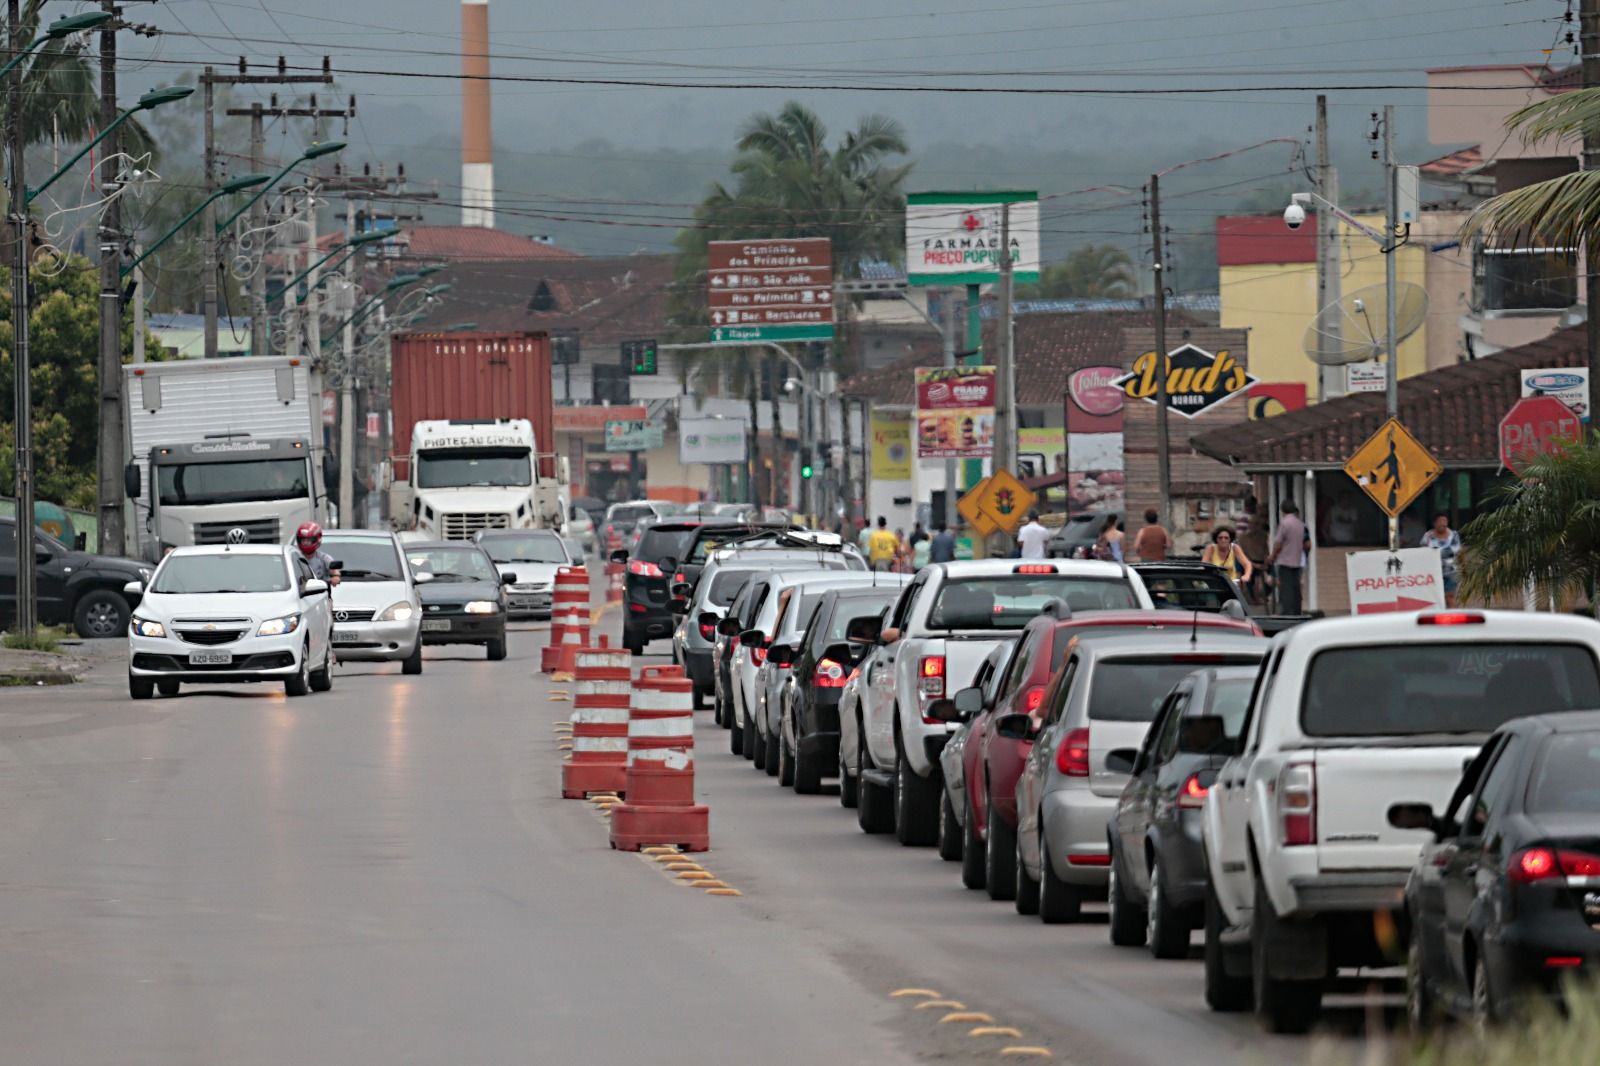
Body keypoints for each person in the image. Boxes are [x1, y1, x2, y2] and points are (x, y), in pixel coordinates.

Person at [1267, 501, 1309, 615]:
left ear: (1282, 511)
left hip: (1285, 561)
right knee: (1296, 587)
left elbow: (1278, 544)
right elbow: (1306, 544)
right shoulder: (1301, 524)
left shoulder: (1284, 523)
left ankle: (1287, 612)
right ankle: (1297, 610)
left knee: (1286, 588)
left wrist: (1272, 556)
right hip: (1297, 560)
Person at [1420, 512, 1463, 607]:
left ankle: (1452, 614)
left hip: (1451, 571)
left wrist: (1437, 552)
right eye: (1440, 521)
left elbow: (1457, 550)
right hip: (1433, 572)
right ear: (1434, 523)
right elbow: (1423, 552)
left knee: (1450, 595)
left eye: (1445, 521)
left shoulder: (1454, 535)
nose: (1443, 524)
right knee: (1436, 597)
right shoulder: (1428, 536)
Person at [294, 521, 340, 587]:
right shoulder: (295, 558)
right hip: (298, 592)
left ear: (317, 539)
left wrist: (335, 577)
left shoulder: (324, 558)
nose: (305, 543)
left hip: (320, 591)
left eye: (309, 540)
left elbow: (334, 571)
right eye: (303, 540)